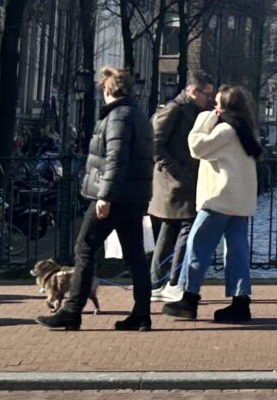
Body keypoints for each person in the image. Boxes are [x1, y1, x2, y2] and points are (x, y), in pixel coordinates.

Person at [37, 67, 155, 332]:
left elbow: (116, 158)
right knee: (135, 255)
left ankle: (71, 310)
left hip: (114, 196)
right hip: (134, 197)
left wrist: (105, 196)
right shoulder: (138, 115)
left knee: (85, 248)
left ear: (107, 90)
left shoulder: (118, 117)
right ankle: (142, 313)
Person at [161, 85, 262, 322]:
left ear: (225, 107)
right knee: (237, 251)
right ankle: (240, 301)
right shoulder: (247, 130)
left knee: (198, 244)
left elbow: (196, 147)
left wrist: (204, 118)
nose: (214, 108)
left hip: (219, 199)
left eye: (217, 104)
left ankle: (189, 298)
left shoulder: (225, 130)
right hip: (240, 202)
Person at [149, 71, 215, 302]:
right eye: (206, 94)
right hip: (175, 184)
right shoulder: (174, 109)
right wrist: (178, 172)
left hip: (182, 182)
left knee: (169, 231)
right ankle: (174, 282)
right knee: (187, 227)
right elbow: (155, 145)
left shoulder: (195, 110)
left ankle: (157, 283)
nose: (210, 99)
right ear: (193, 91)